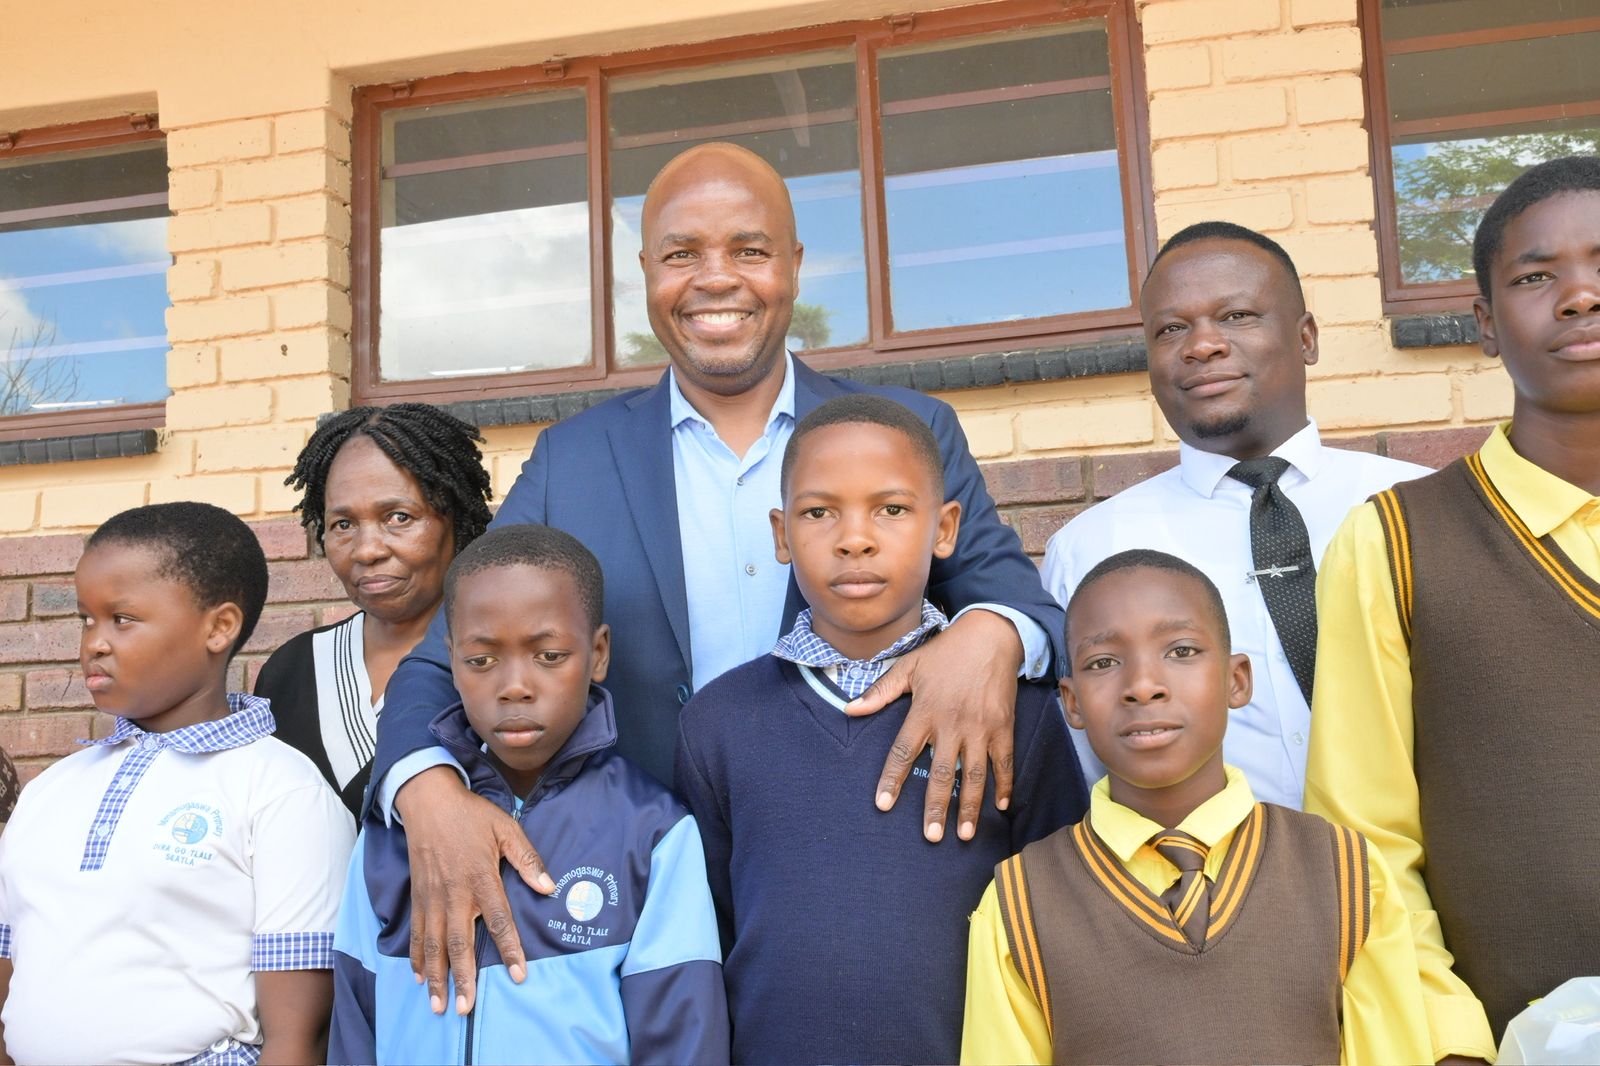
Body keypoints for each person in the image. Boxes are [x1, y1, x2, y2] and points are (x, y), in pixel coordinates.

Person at [368, 142, 1065, 1013]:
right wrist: (425, 791)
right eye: (681, 253)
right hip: (632, 921)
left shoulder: (904, 431)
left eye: (749, 249)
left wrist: (989, 632)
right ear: (645, 272)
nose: (716, 278)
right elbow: (439, 660)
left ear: (795, 264)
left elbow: (1027, 607)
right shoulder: (572, 461)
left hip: (846, 911)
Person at [674, 394, 1084, 1064]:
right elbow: (710, 935)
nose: (854, 538)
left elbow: (1064, 924)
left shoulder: (1015, 713)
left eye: (890, 509)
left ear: (944, 528)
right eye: (819, 512)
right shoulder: (717, 725)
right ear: (781, 534)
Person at [1306, 156, 1600, 1059]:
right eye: (1536, 277)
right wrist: (1448, 1040)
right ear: (1485, 324)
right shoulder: (1396, 542)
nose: (1580, 296)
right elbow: (1364, 840)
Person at [962, 549, 1433, 1065]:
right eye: (1104, 663)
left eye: (1181, 651)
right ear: (1072, 702)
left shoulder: (1348, 873)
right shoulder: (1019, 905)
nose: (1143, 686)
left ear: (1237, 680)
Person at [1042, 221, 1427, 809]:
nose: (1202, 346)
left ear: (1306, 338)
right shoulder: (1092, 548)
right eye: (1171, 329)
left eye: (1237, 316)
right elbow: (1085, 772)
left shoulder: (1417, 505)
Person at [329, 524, 728, 1066]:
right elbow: (354, 1025)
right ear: (451, 661)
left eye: (549, 655)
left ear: (598, 653)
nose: (515, 686)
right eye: (481, 661)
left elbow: (683, 1040)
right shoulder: (396, 833)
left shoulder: (652, 830)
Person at [0, 502, 354, 1065]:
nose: (94, 643)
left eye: (122, 619)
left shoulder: (281, 789)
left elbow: (299, 1037)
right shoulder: (51, 790)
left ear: (219, 628)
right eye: (86, 619)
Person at [254, 404, 493, 817]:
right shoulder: (292, 670)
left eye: (399, 517)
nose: (367, 551)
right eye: (343, 525)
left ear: (456, 521)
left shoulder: (500, 664)